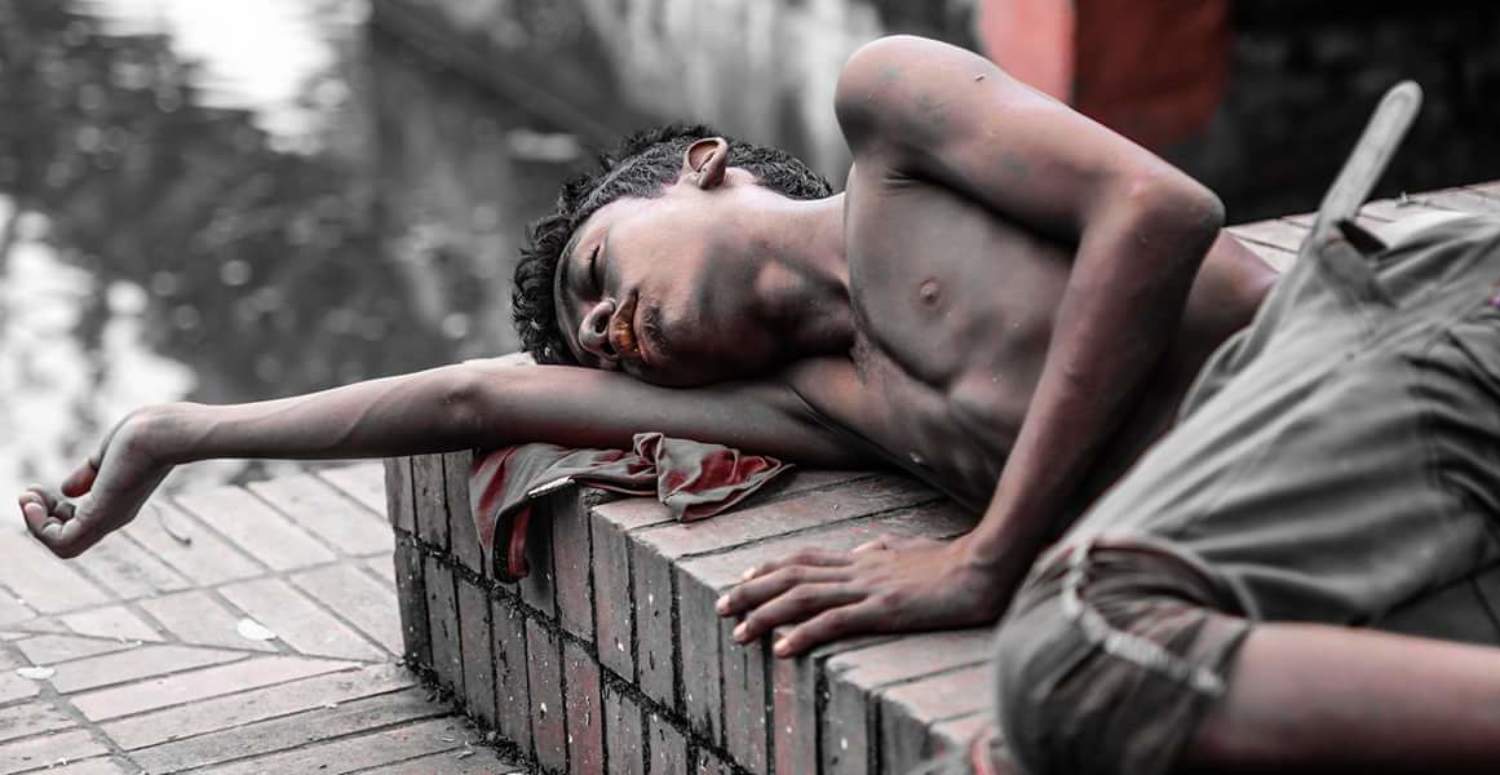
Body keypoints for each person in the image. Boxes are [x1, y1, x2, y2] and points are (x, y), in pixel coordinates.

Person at [19, 36, 1272, 663]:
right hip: (1266, 525)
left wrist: (987, 557)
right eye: (603, 353)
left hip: (1342, 378)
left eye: (599, 275)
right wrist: (178, 434)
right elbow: (476, 397)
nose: (611, 328)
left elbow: (1161, 210)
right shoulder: (824, 403)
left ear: (701, 168)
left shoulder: (893, 118)